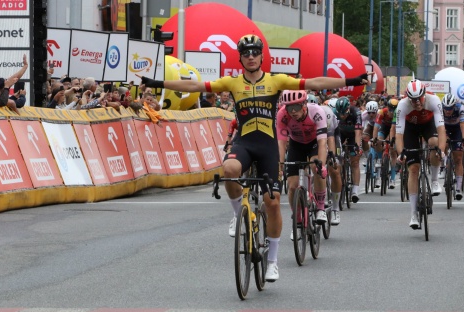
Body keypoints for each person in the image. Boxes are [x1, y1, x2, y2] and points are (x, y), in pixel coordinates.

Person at [137, 34, 368, 282]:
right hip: (245, 142)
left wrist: (351, 80)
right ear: (241, 57)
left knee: (272, 201)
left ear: (261, 56)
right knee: (229, 168)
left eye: (254, 52)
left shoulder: (276, 80)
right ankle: (238, 214)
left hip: (268, 145)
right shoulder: (232, 83)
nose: (250, 57)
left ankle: (272, 262)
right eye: (245, 53)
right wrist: (157, 83)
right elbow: (194, 86)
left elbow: (314, 82)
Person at [276, 90, 329, 240]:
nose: (292, 112)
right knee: (292, 186)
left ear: (304, 104)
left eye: (296, 107)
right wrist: (279, 167)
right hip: (296, 144)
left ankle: (320, 207)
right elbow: (281, 143)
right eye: (289, 108)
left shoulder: (317, 112)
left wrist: (322, 166)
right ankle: (297, 220)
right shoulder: (282, 115)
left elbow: (322, 142)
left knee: (315, 167)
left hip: (314, 143)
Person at [395, 79, 445, 229]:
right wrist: (400, 153)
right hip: (410, 128)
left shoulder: (434, 100)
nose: (417, 102)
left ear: (424, 94)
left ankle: (435, 180)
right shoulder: (402, 105)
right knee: (413, 169)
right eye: (413, 100)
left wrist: (441, 151)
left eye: (419, 98)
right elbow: (399, 134)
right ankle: (413, 214)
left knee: (434, 144)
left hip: (428, 125)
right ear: (408, 97)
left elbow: (441, 129)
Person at [312, 94, 342, 225]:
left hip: (331, 135)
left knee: (334, 169)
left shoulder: (326, 113)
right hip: (311, 137)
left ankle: (335, 208)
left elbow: (329, 138)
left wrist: (332, 155)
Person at [333, 96, 363, 203]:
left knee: (355, 161)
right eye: (340, 113)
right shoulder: (334, 113)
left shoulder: (356, 112)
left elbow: (358, 132)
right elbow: (331, 133)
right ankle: (340, 180)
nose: (342, 116)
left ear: (348, 109)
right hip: (339, 134)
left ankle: (355, 190)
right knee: (337, 159)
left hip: (352, 135)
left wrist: (357, 146)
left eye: (344, 113)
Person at [441, 93, 464, 200]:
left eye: (450, 108)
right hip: (445, 128)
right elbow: (440, 126)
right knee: (445, 144)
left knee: (458, 158)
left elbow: (463, 126)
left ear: (454, 106)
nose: (447, 110)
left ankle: (458, 188)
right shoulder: (440, 109)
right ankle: (444, 165)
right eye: (446, 108)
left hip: (457, 129)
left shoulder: (459, 108)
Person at [372, 98, 399, 189]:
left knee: (393, 152)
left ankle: (392, 178)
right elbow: (376, 127)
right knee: (379, 140)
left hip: (394, 130)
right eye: (390, 109)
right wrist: (375, 139)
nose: (391, 112)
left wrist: (392, 141)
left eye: (394, 109)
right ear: (387, 107)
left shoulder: (398, 113)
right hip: (383, 129)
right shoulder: (382, 112)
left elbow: (394, 129)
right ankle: (379, 159)